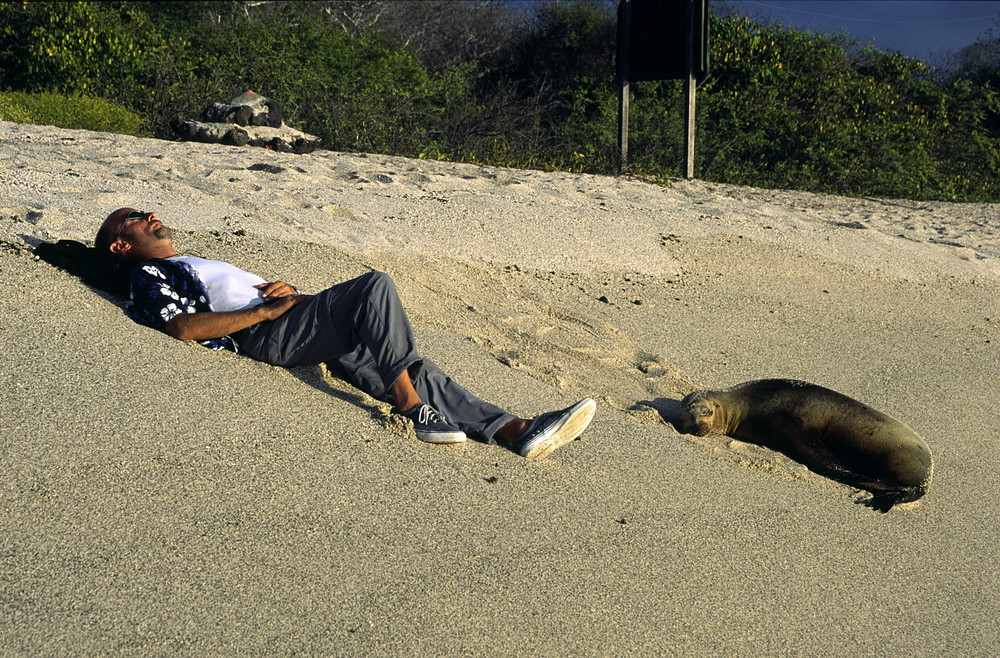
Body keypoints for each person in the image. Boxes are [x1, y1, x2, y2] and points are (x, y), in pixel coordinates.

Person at [95, 208, 596, 458]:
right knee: (374, 287)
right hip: (268, 334)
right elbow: (181, 327)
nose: (153, 217)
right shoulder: (147, 276)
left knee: (405, 361)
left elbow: (223, 298)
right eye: (138, 219)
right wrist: (264, 315)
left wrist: (274, 294)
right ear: (121, 246)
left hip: (288, 319)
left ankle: (515, 431)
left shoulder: (187, 259)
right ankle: (409, 408)